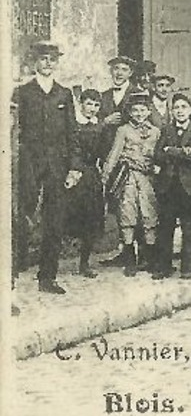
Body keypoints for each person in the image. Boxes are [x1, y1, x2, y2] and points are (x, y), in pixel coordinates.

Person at [15, 41, 82, 295]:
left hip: (57, 165)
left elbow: (72, 133)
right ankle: (13, 272)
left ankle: (48, 277)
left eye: (52, 59)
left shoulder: (64, 94)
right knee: (22, 215)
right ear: (34, 61)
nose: (47, 63)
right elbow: (13, 131)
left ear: (57, 63)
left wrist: (74, 167)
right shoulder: (22, 92)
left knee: (55, 220)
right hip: (28, 165)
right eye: (43, 59)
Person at [103, 89, 161, 274]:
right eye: (135, 110)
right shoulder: (123, 130)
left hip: (148, 179)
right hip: (128, 177)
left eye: (143, 110)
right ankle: (130, 260)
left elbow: (160, 156)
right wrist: (105, 176)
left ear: (149, 112)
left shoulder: (156, 132)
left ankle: (150, 258)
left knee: (149, 215)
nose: (139, 114)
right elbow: (114, 154)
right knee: (127, 215)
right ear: (129, 112)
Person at [152, 91, 191, 278]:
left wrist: (170, 150)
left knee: (189, 227)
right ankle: (163, 267)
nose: (180, 111)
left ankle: (187, 267)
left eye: (184, 107)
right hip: (168, 186)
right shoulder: (166, 130)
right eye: (176, 107)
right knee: (165, 227)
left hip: (189, 187)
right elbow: (157, 155)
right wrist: (179, 151)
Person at [66, 88, 105, 279]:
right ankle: (51, 263)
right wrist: (73, 171)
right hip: (74, 174)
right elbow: (70, 150)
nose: (92, 109)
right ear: (81, 104)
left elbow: (104, 152)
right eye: (89, 104)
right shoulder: (73, 124)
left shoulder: (99, 126)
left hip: (92, 176)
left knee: (91, 218)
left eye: (96, 105)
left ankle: (84, 263)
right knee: (68, 217)